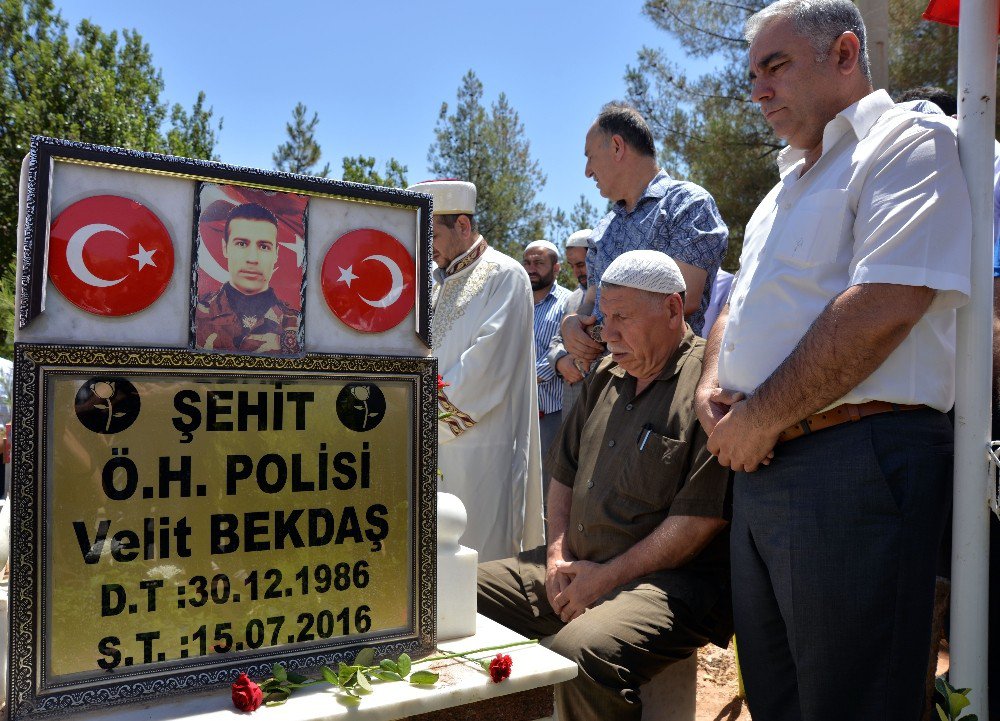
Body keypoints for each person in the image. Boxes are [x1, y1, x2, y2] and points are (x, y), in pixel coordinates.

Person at [695, 1, 972, 718]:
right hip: (764, 466)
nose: (757, 90)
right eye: (751, 72)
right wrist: (711, 384)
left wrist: (759, 414)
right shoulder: (784, 185)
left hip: (855, 464)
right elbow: (735, 302)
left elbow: (886, 302)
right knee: (780, 701)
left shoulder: (908, 140)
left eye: (775, 67)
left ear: (845, 54)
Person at [479, 250, 733, 721]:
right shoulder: (607, 376)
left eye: (623, 317)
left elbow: (698, 523)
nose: (607, 332)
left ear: (674, 310)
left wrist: (605, 579)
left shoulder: (707, 386)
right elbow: (564, 475)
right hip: (577, 565)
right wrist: (557, 557)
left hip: (664, 584)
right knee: (451, 593)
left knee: (579, 653)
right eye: (604, 316)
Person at [407, 179, 544, 563]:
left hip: (480, 444)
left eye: (431, 233)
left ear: (463, 226)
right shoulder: (432, 282)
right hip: (427, 438)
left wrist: (422, 417)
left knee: (476, 552)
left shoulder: (506, 275)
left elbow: (487, 367)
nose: (425, 245)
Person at [561, 102, 727, 370]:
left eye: (589, 156)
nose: (587, 171)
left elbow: (684, 300)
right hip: (605, 386)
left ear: (617, 146)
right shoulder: (604, 229)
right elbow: (591, 300)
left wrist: (594, 333)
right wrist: (571, 323)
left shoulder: (688, 204)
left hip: (664, 382)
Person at [195, 202, 300, 354]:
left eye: (264, 246)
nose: (252, 258)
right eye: (242, 244)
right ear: (225, 248)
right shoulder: (196, 313)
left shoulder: (295, 324)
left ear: (276, 253)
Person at [523, 239, 571, 491]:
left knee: (547, 486)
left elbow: (563, 348)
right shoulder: (515, 301)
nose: (531, 268)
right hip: (516, 410)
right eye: (528, 263)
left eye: (539, 263)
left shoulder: (568, 302)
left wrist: (524, 376)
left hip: (550, 414)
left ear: (556, 268)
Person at [547, 229, 592, 414]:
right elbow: (557, 340)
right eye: (572, 265)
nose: (576, 272)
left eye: (581, 264)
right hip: (571, 401)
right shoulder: (573, 298)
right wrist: (560, 361)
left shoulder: (612, 294)